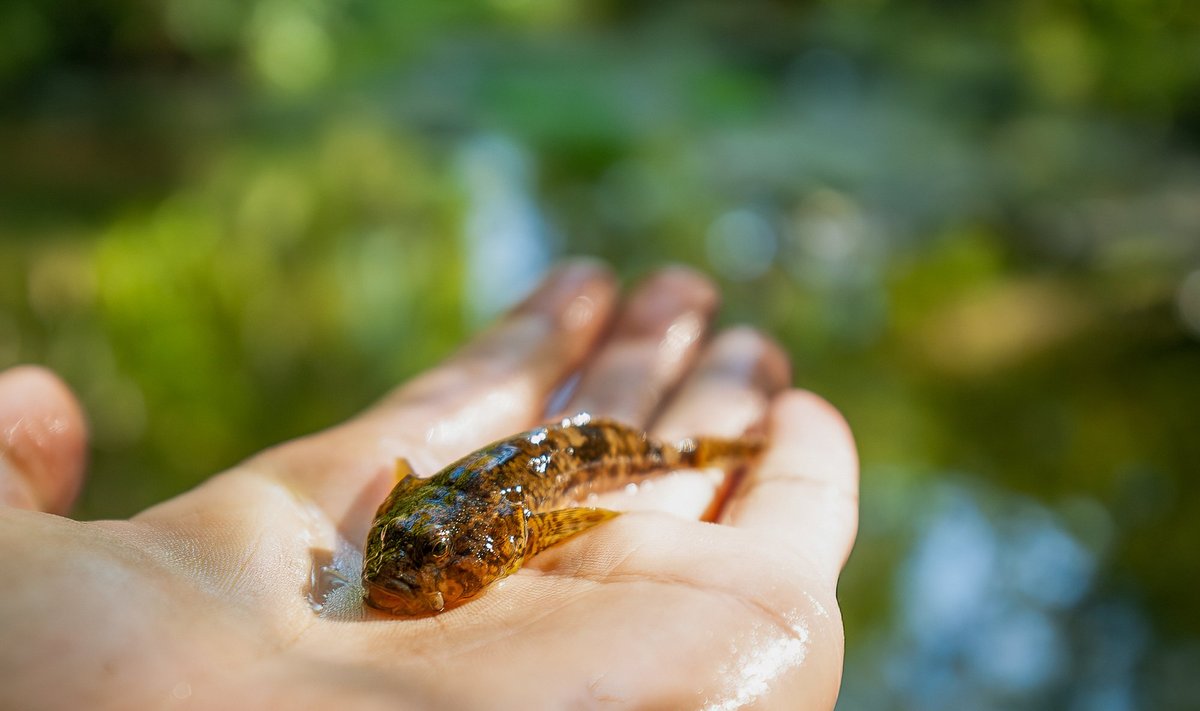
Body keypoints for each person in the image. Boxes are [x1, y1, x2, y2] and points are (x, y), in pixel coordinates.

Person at [0, 261, 858, 709]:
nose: (396, 576)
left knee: (664, 457)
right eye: (399, 548)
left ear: (514, 538)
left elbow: (533, 508)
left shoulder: (514, 517)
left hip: (568, 456)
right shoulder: (418, 518)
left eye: (433, 557)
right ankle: (704, 451)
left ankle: (704, 451)